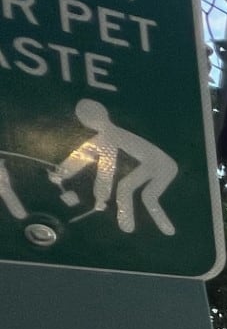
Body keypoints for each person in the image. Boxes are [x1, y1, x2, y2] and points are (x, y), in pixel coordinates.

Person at [47, 98, 178, 236]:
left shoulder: (110, 136)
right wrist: (61, 172)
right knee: (147, 195)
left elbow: (106, 170)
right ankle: (167, 230)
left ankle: (128, 228)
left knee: (127, 188)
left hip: (161, 165)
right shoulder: (108, 135)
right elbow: (83, 154)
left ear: (88, 121)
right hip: (165, 164)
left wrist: (101, 198)